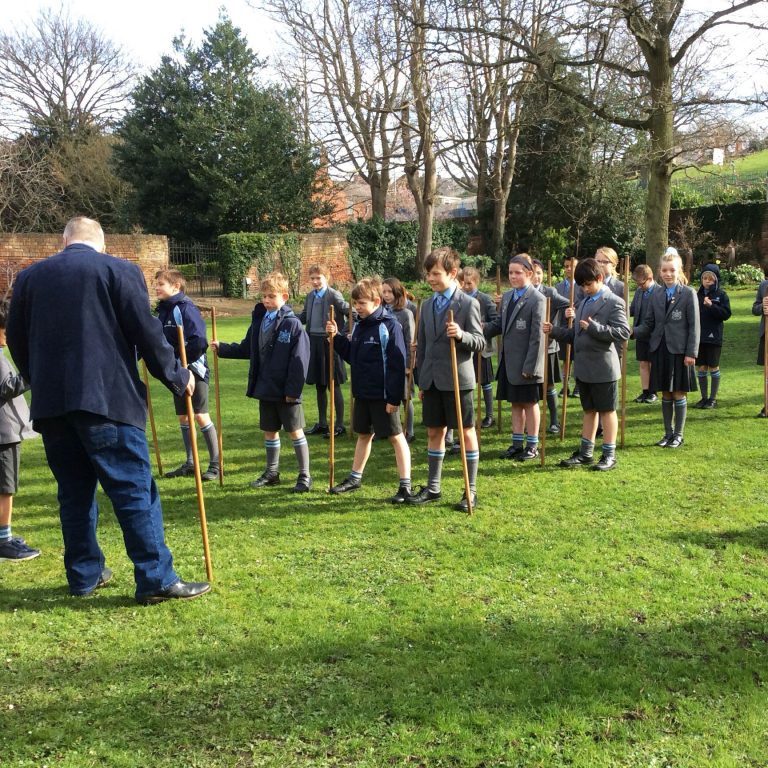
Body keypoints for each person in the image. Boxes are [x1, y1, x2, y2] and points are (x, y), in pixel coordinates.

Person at [7, 216, 209, 603]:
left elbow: (16, 338)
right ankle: (156, 579)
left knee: (74, 492)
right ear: (100, 243)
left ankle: (84, 575)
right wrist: (176, 375)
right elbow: (145, 331)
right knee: (134, 489)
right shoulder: (119, 270)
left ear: (64, 240)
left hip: (53, 406)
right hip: (107, 398)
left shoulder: (32, 278)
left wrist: (40, 378)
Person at [213, 272, 312, 493]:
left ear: (284, 296)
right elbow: (247, 348)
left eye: (272, 296)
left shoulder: (292, 324)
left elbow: (300, 361)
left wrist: (293, 391)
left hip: (286, 390)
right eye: (264, 296)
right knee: (269, 430)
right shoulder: (258, 322)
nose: (266, 300)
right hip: (265, 386)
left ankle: (304, 475)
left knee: (295, 431)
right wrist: (223, 348)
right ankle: (272, 472)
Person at [407, 246, 485, 511]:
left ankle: (470, 490)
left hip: (457, 380)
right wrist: (422, 381)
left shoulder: (468, 304)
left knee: (465, 432)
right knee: (434, 431)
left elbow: (480, 342)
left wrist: (462, 335)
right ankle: (433, 487)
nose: (430, 278)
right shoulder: (426, 306)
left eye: (435, 273)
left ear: (453, 273)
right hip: (432, 381)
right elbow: (425, 347)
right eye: (428, 273)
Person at [326, 279, 411, 502]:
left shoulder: (389, 325)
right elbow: (353, 356)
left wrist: (394, 397)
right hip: (362, 393)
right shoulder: (360, 325)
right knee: (364, 434)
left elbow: (397, 363)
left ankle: (405, 485)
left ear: (376, 301)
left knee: (396, 436)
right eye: (354, 303)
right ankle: (355, 478)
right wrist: (336, 338)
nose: (357, 308)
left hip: (383, 395)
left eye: (361, 303)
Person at [545, 258, 630, 471]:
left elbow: (623, 332)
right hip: (584, 368)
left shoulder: (614, 302)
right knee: (589, 410)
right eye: (581, 285)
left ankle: (609, 454)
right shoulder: (582, 303)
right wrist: (553, 331)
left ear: (599, 278)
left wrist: (595, 328)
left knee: (607, 411)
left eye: (588, 284)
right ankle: (586, 453)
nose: (584, 288)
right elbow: (575, 335)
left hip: (604, 369)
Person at [154, 270, 220, 481]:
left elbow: (199, 340)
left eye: (161, 284)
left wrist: (185, 364)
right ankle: (191, 463)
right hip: (177, 370)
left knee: (200, 415)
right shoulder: (162, 310)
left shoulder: (185, 308)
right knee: (183, 416)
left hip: (194, 369)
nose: (156, 287)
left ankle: (216, 464)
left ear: (175, 287)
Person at [633, 248, 700, 449]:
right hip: (659, 349)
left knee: (678, 393)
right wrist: (631, 331)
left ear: (679, 271)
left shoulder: (688, 294)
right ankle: (667, 433)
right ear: (659, 271)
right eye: (664, 270)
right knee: (665, 394)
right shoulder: (656, 294)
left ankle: (678, 435)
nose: (668, 274)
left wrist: (691, 353)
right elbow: (649, 323)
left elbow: (694, 326)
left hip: (680, 351)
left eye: (672, 270)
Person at [485, 254, 546, 461]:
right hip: (509, 362)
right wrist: (477, 331)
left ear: (529, 274)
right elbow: (500, 324)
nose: (513, 276)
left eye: (517, 273)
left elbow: (537, 336)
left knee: (529, 403)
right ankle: (517, 443)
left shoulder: (537, 299)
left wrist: (531, 366)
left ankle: (533, 445)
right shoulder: (509, 297)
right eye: (510, 273)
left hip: (527, 363)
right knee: (515, 404)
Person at [0, 299, 39, 561]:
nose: (6, 337)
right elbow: (6, 387)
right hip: (4, 433)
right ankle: (4, 539)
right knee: (6, 486)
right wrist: (32, 372)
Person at [299, 263, 350, 438]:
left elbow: (349, 311)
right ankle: (322, 423)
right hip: (313, 342)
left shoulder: (334, 295)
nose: (315, 281)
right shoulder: (309, 296)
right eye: (312, 278)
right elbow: (304, 316)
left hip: (330, 343)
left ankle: (340, 425)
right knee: (320, 385)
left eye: (318, 278)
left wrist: (344, 333)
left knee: (333, 384)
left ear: (326, 278)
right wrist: (287, 315)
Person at [531, 259, 569, 433]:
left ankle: (554, 421)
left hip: (548, 346)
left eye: (539, 273)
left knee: (549, 385)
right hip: (529, 347)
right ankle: (531, 423)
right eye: (533, 273)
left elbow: (569, 303)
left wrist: (569, 311)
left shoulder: (550, 292)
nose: (536, 277)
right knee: (531, 384)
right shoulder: (522, 293)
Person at [461, 266, 499, 429]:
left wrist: (485, 326)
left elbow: (497, 320)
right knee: (467, 382)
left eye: (469, 283)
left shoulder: (484, 299)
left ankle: (489, 415)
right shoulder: (459, 298)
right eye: (463, 283)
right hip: (464, 346)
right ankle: (465, 415)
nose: (466, 286)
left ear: (476, 282)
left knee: (485, 382)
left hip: (481, 348)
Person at [382, 277, 416, 443]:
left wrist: (409, 365)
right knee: (390, 395)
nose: (387, 295)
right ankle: (392, 428)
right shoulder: (382, 312)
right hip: (386, 362)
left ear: (397, 292)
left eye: (390, 291)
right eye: (384, 292)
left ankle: (409, 430)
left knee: (405, 397)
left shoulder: (405, 314)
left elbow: (411, 341)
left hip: (402, 362)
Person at [694, 263, 731, 409]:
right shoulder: (697, 295)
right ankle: (703, 398)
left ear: (716, 280)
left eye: (710, 279)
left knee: (713, 366)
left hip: (714, 336)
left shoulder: (721, 295)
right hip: (699, 337)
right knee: (701, 367)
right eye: (704, 278)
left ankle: (713, 399)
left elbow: (726, 314)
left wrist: (712, 306)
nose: (707, 281)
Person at [629, 264, 660, 403]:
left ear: (650, 278)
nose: (639, 286)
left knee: (653, 363)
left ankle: (654, 392)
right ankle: (645, 391)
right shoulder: (639, 292)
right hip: (640, 333)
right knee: (643, 363)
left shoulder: (659, 292)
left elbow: (656, 319)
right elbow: (633, 309)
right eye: (637, 283)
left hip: (654, 334)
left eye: (641, 283)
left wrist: (634, 331)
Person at [555, 254, 583, 397]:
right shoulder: (558, 287)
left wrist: (576, 314)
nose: (569, 269)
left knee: (578, 357)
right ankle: (565, 386)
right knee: (566, 360)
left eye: (572, 266)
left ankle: (578, 385)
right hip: (563, 326)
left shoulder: (583, 286)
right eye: (566, 266)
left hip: (578, 327)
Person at [751, 273, 768, 417]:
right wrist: (763, 306)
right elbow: (754, 308)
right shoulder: (764, 285)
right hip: (766, 335)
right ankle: (767, 405)